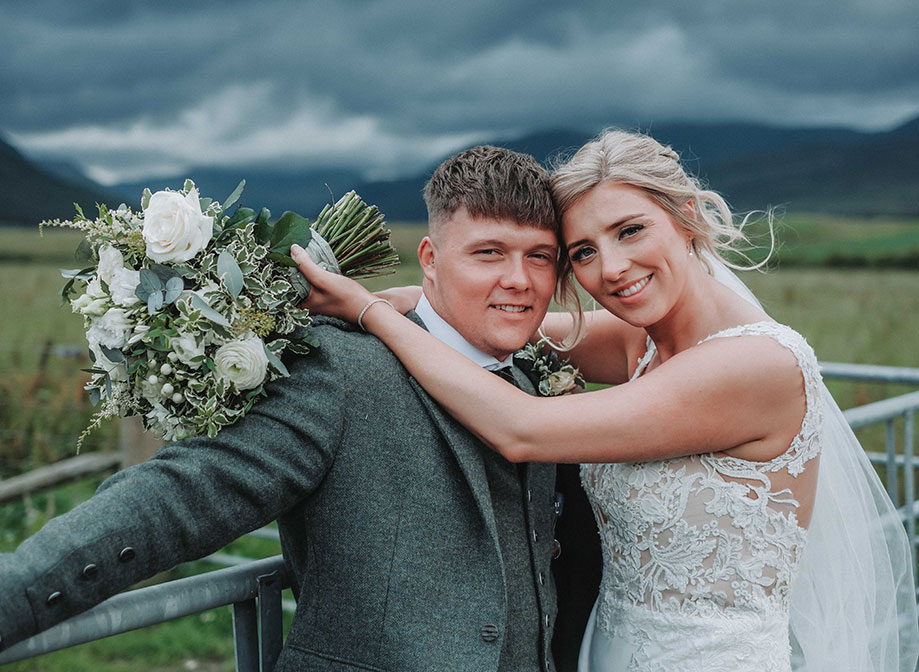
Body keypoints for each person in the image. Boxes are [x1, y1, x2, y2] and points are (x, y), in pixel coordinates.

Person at [293, 129, 919, 672]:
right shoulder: (637, 344)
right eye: (583, 253)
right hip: (606, 647)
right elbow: (506, 319)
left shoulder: (756, 365)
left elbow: (522, 427)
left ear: (689, 218)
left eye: (630, 231)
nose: (611, 269)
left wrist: (368, 310)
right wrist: (406, 293)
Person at [0, 145, 596, 672]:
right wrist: (17, 595)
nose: (519, 280)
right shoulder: (338, 370)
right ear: (431, 260)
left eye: (540, 256)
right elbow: (183, 494)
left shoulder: (539, 382)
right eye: (489, 252)